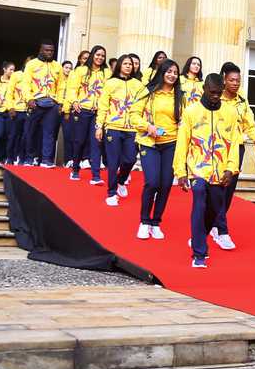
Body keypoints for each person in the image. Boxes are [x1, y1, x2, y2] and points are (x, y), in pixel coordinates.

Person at [175, 74, 240, 269]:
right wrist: (180, 172)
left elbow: (235, 142)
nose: (215, 96)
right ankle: (199, 253)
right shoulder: (191, 111)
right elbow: (182, 142)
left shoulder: (230, 112)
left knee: (215, 210)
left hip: (220, 172)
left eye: (218, 94)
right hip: (198, 170)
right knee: (199, 203)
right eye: (212, 93)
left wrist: (231, 168)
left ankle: (200, 236)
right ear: (204, 89)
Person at [208, 63, 255, 250]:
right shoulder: (215, 98)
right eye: (231, 80)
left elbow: (250, 124)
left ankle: (214, 224)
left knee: (228, 192)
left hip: (237, 149)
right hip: (217, 148)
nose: (235, 83)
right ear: (224, 79)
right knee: (218, 190)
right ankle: (222, 231)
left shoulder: (242, 101)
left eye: (238, 80)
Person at [132, 59, 184, 240]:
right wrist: (148, 127)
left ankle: (155, 223)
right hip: (149, 142)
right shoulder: (148, 92)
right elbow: (133, 115)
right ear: (161, 72)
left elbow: (184, 120)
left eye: (175, 72)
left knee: (165, 184)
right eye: (169, 71)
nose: (172, 75)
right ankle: (144, 221)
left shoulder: (180, 95)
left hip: (172, 143)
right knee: (152, 182)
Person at [95, 54, 144, 206]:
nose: (129, 66)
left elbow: (143, 107)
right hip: (113, 127)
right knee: (113, 162)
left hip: (131, 129)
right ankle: (111, 193)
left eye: (131, 64)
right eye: (125, 64)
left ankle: (122, 180)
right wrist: (99, 126)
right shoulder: (110, 83)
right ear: (119, 66)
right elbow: (103, 106)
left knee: (130, 159)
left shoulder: (138, 85)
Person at [65, 45, 108, 183]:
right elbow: (71, 88)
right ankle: (75, 169)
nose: (100, 58)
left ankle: (95, 175)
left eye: (102, 56)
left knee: (96, 142)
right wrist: (74, 101)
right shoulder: (80, 70)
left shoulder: (107, 73)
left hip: (98, 112)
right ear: (92, 55)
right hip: (82, 110)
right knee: (79, 141)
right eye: (97, 55)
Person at [22, 40, 63, 168]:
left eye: (51, 50)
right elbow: (25, 83)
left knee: (49, 132)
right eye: (47, 50)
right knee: (31, 131)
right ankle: (29, 158)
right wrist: (29, 99)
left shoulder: (58, 66)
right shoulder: (31, 64)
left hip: (52, 103)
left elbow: (61, 86)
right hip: (36, 102)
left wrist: (60, 102)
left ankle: (46, 160)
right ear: (41, 50)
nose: (49, 52)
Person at [6, 57, 32, 164]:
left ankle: (21, 158)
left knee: (26, 136)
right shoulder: (16, 75)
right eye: (28, 63)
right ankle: (10, 158)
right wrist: (10, 107)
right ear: (25, 63)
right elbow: (9, 92)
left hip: (29, 111)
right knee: (13, 135)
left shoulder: (34, 76)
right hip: (16, 110)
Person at [53, 60, 74, 167]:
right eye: (66, 67)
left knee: (68, 135)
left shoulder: (73, 81)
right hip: (56, 108)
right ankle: (48, 159)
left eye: (70, 68)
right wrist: (57, 104)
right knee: (51, 135)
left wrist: (66, 108)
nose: (68, 70)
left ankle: (68, 160)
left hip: (67, 111)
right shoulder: (57, 79)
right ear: (62, 68)